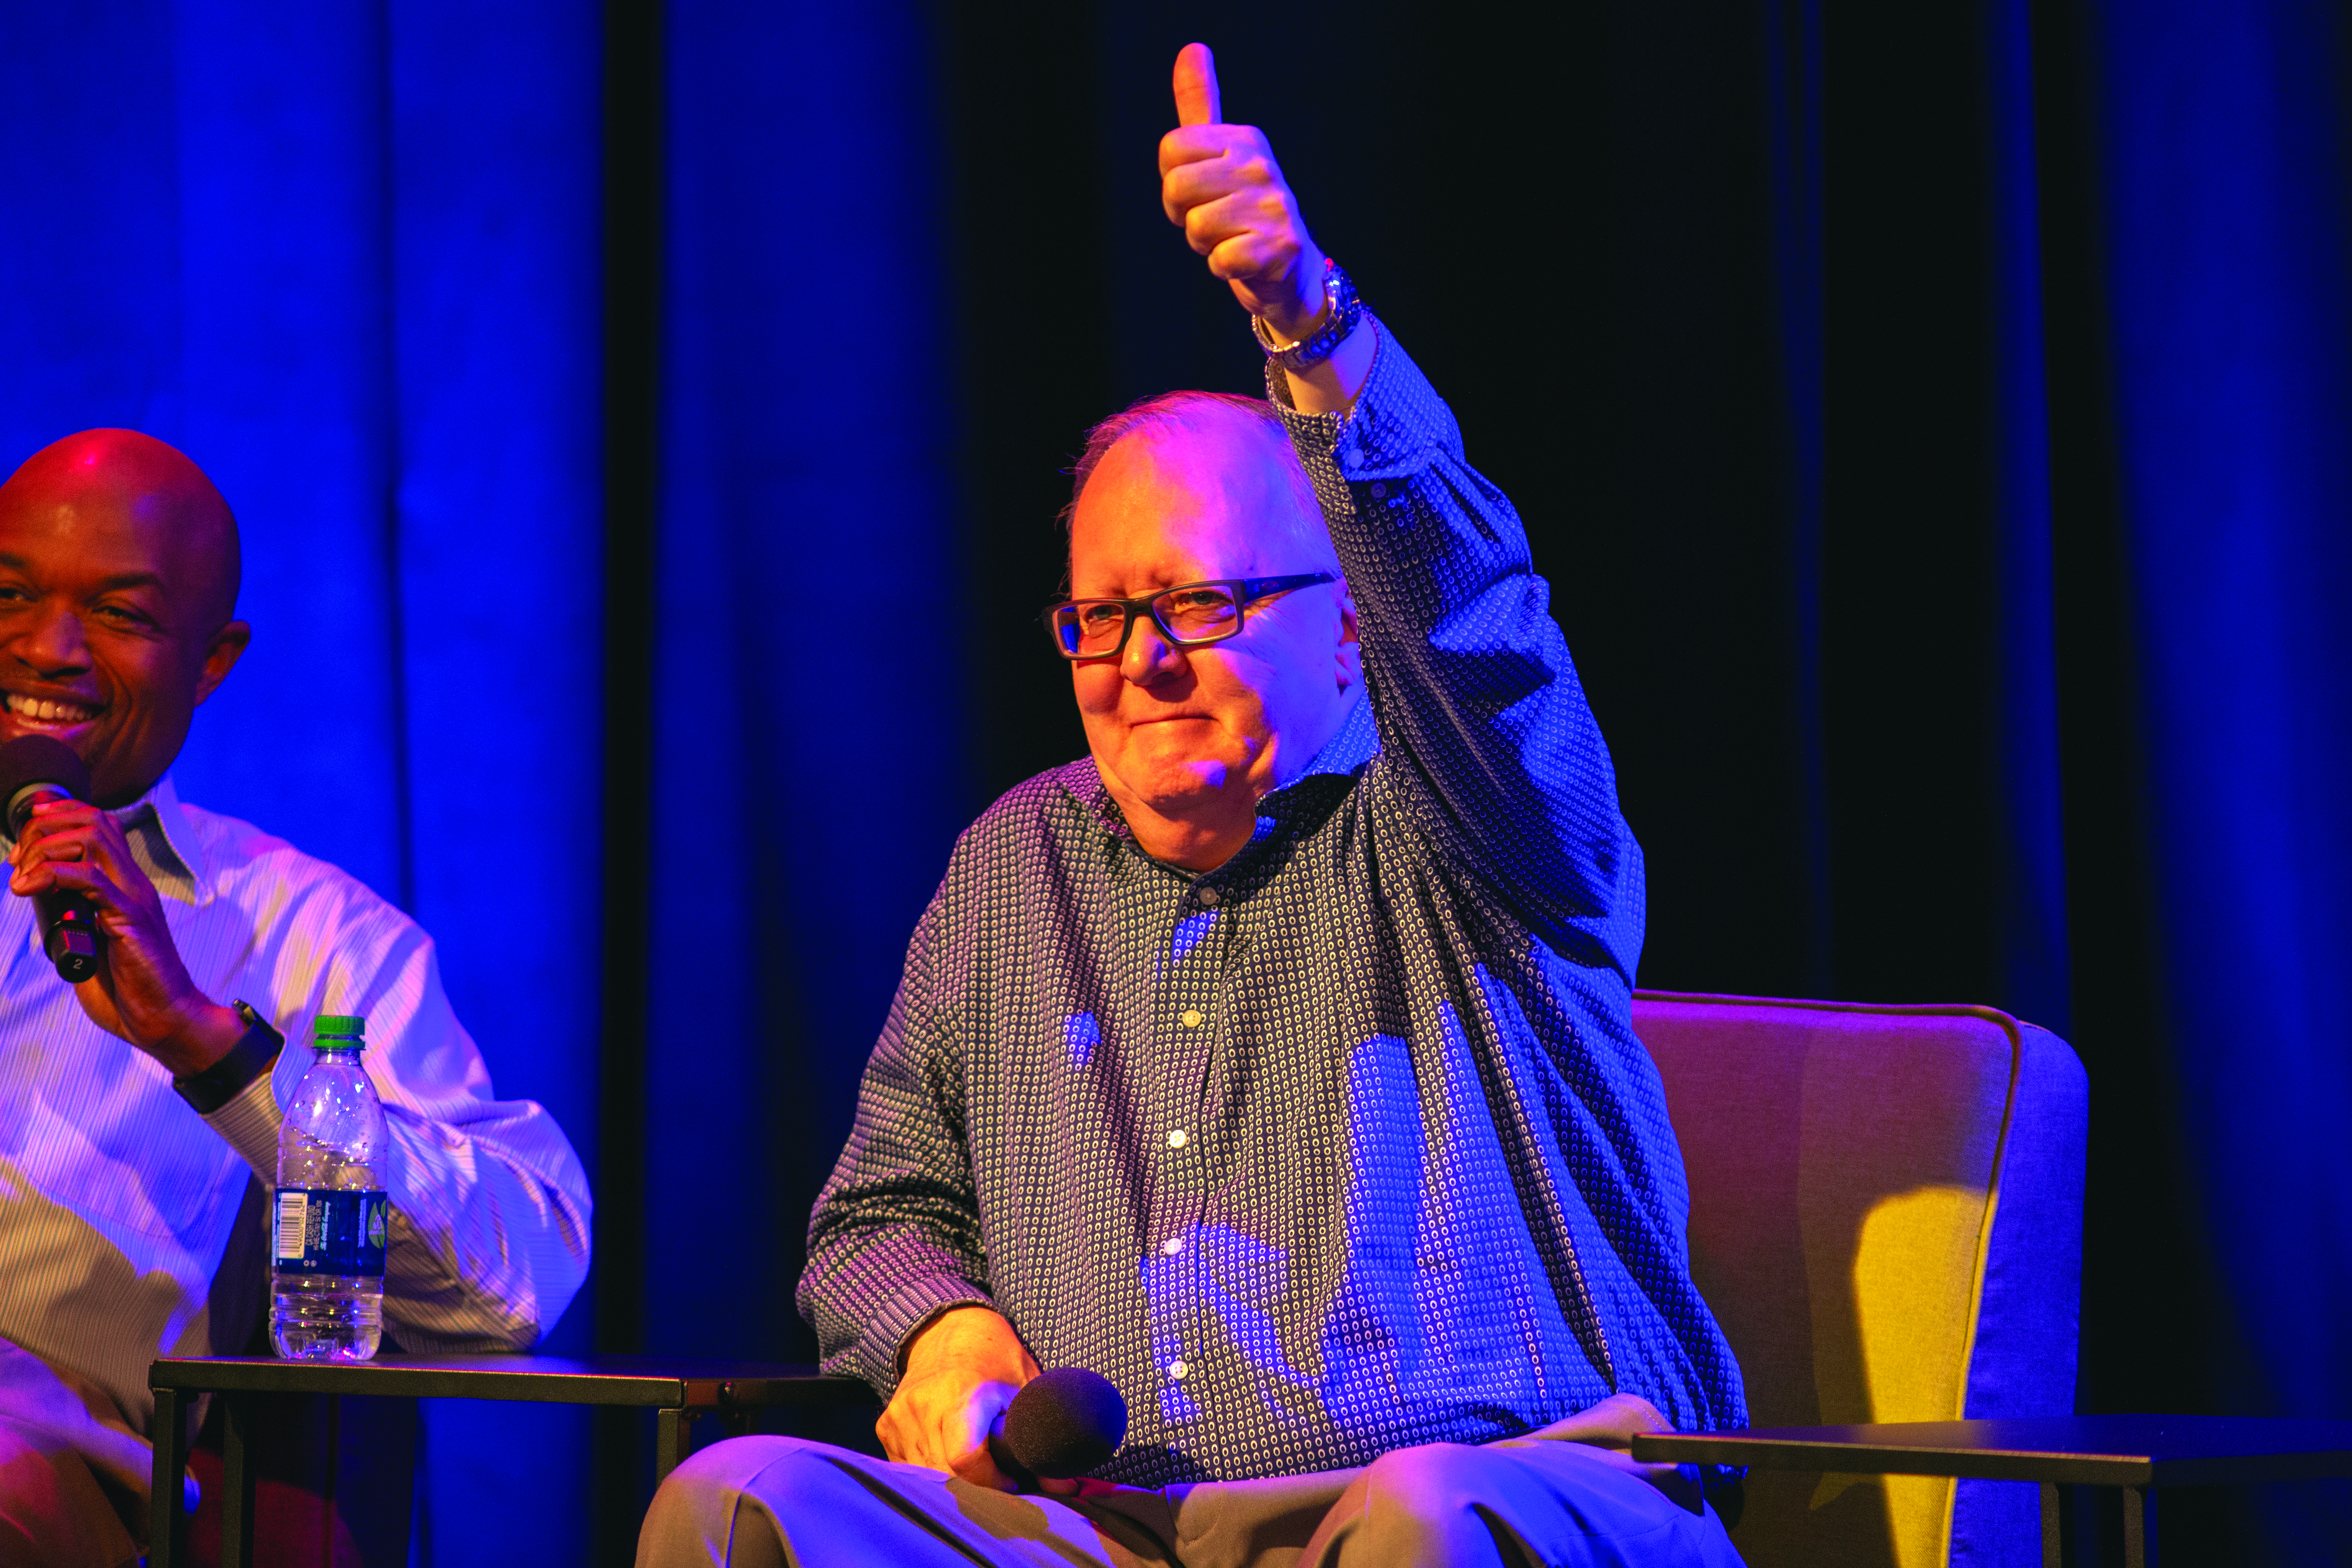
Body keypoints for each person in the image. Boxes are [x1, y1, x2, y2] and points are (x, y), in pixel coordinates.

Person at [638, 42, 1745, 1568]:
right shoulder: (1014, 866)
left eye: (1203, 604)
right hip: (1125, 1532)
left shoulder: (1478, 822)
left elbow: (1477, 627)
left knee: (1428, 1509)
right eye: (1101, 617)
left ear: (1349, 620)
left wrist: (1314, 329)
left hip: (1511, 1495)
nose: (1143, 660)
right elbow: (878, 1209)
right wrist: (939, 1330)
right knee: (748, 1498)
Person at [0, 428, 592, 1564]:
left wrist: (210, 1048)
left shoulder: (312, 943)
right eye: (10, 596)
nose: (47, 650)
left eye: (118, 615)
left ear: (211, 661)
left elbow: (517, 1279)